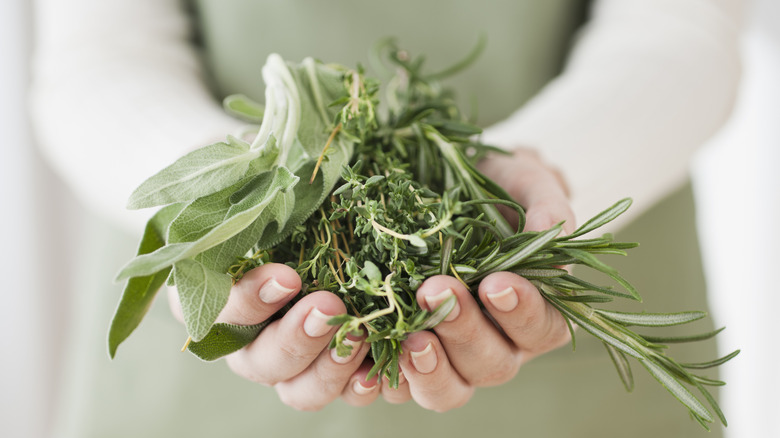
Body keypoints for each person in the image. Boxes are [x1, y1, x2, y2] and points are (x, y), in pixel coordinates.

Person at [29, 0, 744, 436]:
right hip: (197, 395)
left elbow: (680, 26)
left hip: (571, 381)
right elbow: (98, 51)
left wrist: (549, 176)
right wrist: (228, 199)